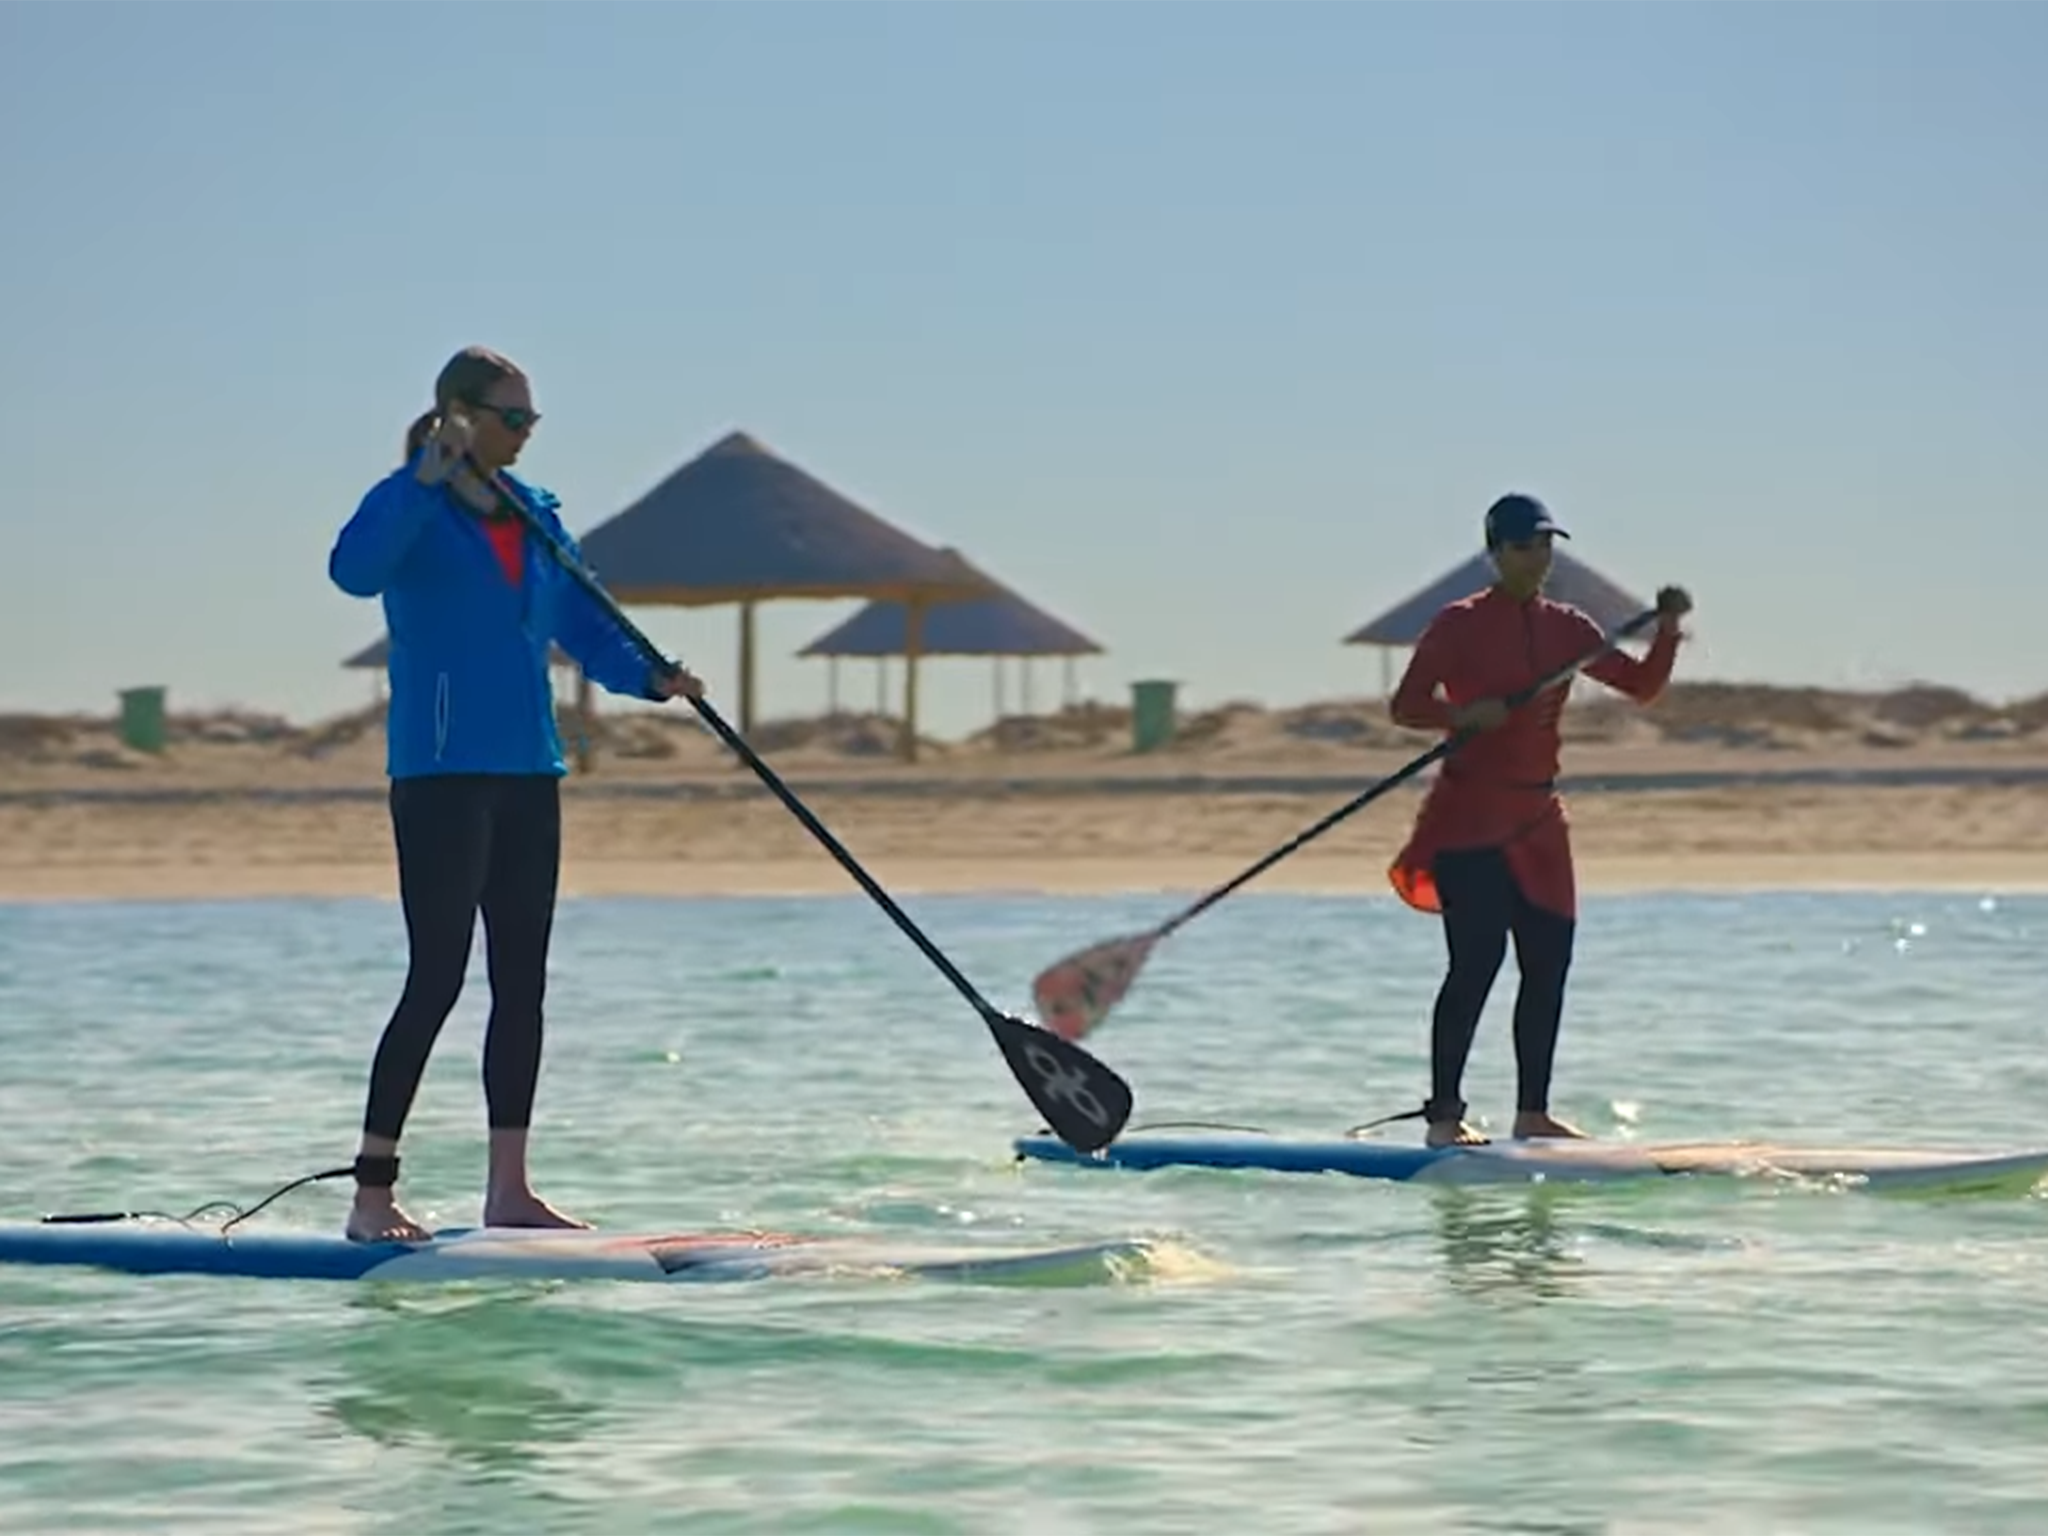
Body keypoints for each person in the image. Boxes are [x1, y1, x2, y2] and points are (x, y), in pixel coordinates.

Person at [328, 345, 704, 1243]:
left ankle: (510, 1192)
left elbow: (584, 619)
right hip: (441, 770)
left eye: (533, 420)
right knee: (436, 977)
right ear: (459, 415)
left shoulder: (536, 515)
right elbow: (353, 570)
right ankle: (372, 1197)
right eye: (512, 418)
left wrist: (651, 679)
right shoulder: (412, 508)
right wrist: (419, 480)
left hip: (529, 768)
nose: (527, 434)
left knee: (522, 983)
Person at [1386, 492, 1691, 1148]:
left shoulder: (1570, 628)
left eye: (1548, 544)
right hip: (1469, 816)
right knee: (1476, 965)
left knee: (1548, 964)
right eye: (1526, 545)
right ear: (1496, 553)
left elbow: (1641, 687)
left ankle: (1533, 1114)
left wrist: (1666, 630)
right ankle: (1444, 1118)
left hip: (1539, 818)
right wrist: (1463, 716)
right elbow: (1406, 706)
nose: (1539, 556)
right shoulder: (1458, 624)